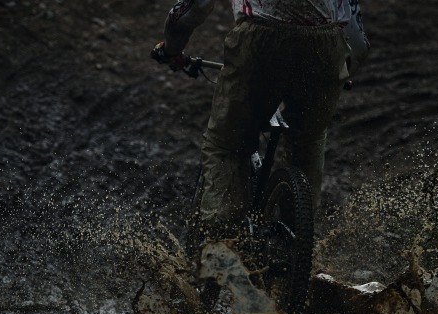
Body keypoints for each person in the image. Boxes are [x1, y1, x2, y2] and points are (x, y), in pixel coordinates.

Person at [152, 0, 370, 243]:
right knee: (307, 141)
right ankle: (297, 243)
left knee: (226, 146)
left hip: (261, 40)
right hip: (326, 46)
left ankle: (222, 246)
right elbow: (358, 38)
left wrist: (171, 49)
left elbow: (192, 9)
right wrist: (346, 71)